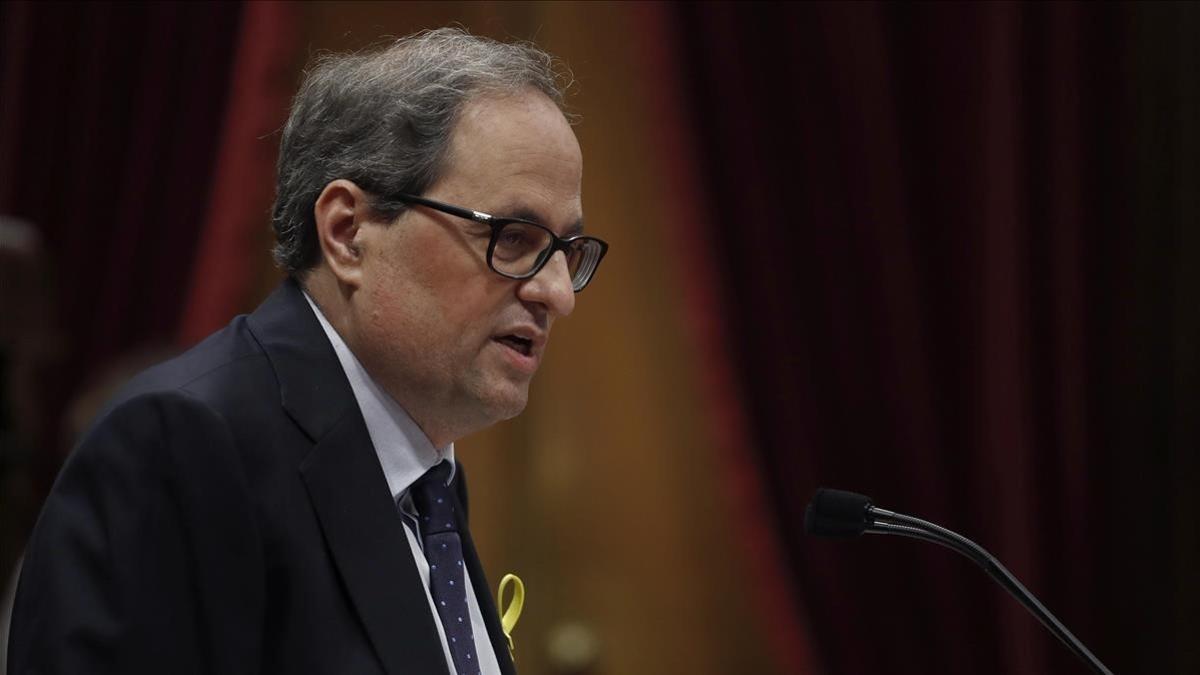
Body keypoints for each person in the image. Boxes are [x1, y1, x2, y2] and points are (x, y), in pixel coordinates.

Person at [6, 28, 607, 675]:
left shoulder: (429, 479)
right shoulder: (181, 445)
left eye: (567, 252)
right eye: (513, 237)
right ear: (348, 232)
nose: (555, 293)